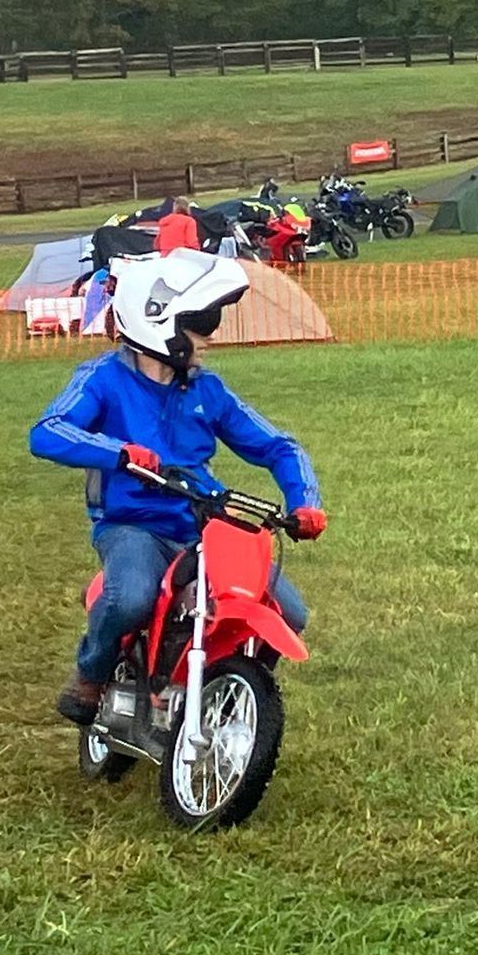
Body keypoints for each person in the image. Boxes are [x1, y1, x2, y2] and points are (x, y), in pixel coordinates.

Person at [29, 249, 325, 725]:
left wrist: (305, 502)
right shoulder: (103, 379)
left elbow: (278, 447)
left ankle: (225, 690)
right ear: (158, 321)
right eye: (201, 323)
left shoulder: (208, 390)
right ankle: (91, 674)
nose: (210, 335)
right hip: (132, 525)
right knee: (131, 597)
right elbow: (48, 431)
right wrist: (118, 453)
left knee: (288, 612)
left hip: (200, 523)